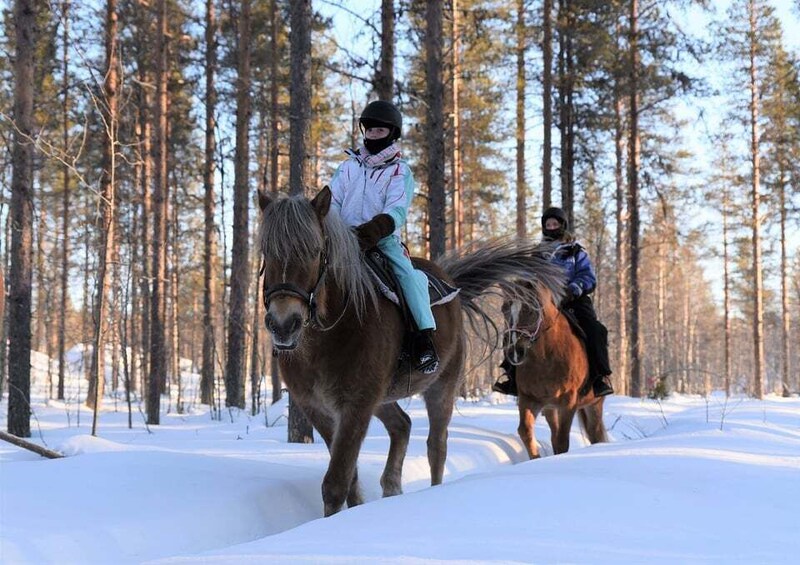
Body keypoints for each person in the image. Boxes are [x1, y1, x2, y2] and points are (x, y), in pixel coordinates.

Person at [328, 100, 439, 374]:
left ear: (392, 133)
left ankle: (423, 340)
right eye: (370, 130)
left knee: (408, 277)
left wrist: (376, 228)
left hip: (382, 240)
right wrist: (335, 229)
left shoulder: (400, 171)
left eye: (380, 131)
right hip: (343, 240)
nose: (373, 135)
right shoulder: (347, 168)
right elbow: (333, 201)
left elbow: (398, 207)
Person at [492, 206, 614, 397]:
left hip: (572, 300)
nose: (550, 227)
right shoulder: (538, 254)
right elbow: (528, 276)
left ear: (562, 226)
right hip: (542, 303)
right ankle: (511, 377)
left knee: (596, 329)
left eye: (554, 224)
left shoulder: (575, 251)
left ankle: (600, 377)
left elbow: (587, 276)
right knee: (516, 327)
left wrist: (573, 290)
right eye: (547, 224)